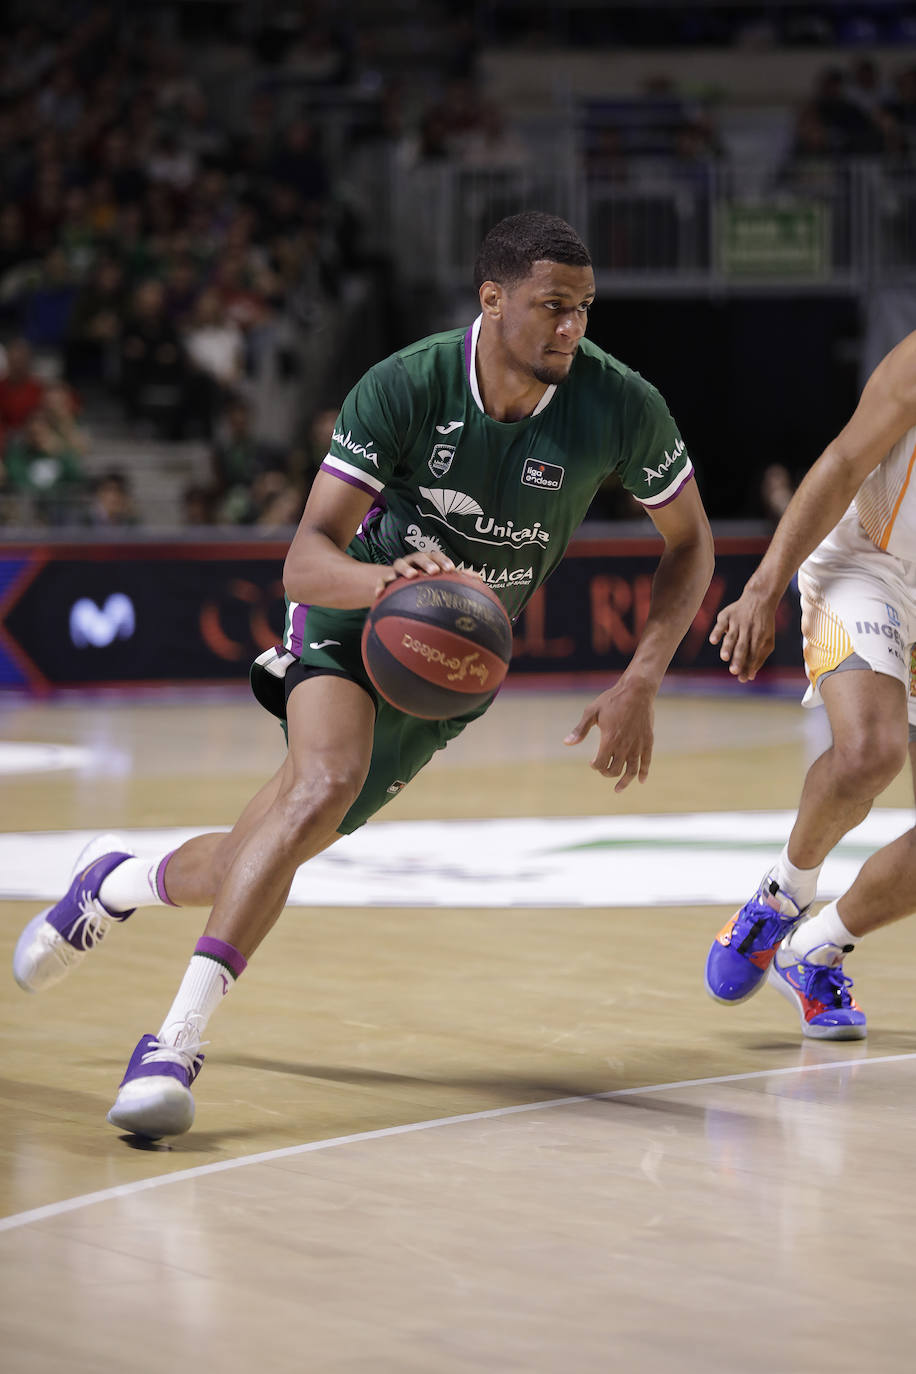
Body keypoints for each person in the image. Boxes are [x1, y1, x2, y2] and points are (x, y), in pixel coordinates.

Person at [12, 211, 714, 1139]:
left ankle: (118, 880)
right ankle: (173, 1046)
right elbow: (306, 558)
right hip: (357, 613)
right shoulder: (408, 383)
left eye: (583, 309)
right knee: (325, 781)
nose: (571, 329)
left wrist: (642, 677)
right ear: (492, 299)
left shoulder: (621, 405)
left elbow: (692, 540)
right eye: (552, 307)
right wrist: (386, 584)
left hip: (456, 663)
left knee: (265, 847)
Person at [704, 328, 916, 1041]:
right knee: (870, 753)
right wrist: (764, 587)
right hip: (869, 563)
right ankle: (782, 892)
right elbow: (845, 460)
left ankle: (816, 948)